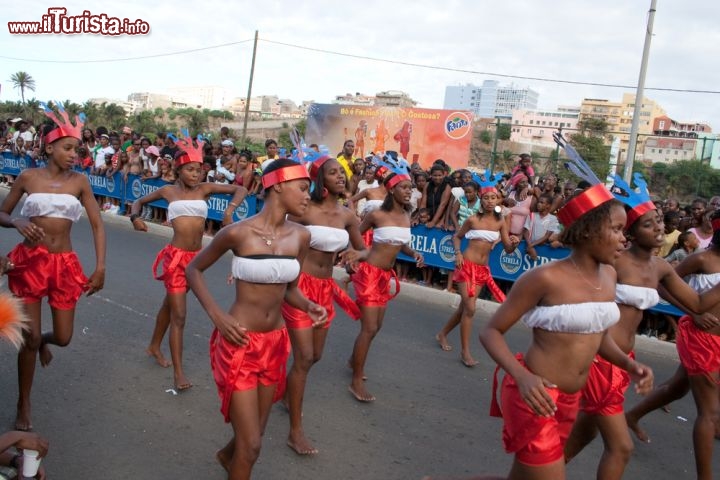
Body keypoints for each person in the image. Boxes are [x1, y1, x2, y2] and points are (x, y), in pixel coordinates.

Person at [430, 135, 653, 480]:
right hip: (536, 398)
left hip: (568, 402)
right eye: (617, 229)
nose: (625, 238)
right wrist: (521, 377)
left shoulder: (609, 276)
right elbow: (493, 332)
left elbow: (597, 336)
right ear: (589, 229)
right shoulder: (545, 278)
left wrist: (628, 364)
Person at [564, 174, 720, 480]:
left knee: (584, 434)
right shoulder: (615, 262)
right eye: (649, 224)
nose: (660, 228)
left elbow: (700, 304)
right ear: (631, 233)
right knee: (619, 447)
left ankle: (538, 472)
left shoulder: (660, 267)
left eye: (659, 220)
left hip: (621, 362)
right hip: (599, 357)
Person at [185, 158, 327, 479]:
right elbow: (193, 269)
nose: (309, 196)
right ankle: (235, 456)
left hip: (275, 344)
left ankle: (226, 455)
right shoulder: (237, 233)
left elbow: (289, 289)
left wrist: (308, 306)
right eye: (303, 188)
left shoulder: (301, 237)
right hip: (239, 342)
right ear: (278, 186)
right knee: (252, 447)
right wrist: (217, 316)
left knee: (255, 435)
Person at [0, 103, 106, 432]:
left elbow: (98, 226)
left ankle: (42, 340)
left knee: (63, 336)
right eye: (68, 148)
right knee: (28, 340)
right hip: (30, 262)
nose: (75, 154)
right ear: (50, 147)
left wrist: (100, 267)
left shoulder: (81, 182)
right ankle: (24, 402)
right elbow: (1, 214)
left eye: (78, 149)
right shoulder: (28, 177)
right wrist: (16, 221)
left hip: (64, 265)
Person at [129, 134, 248, 391]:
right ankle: (178, 374)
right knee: (179, 315)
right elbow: (137, 201)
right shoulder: (167, 191)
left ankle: (153, 345)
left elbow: (242, 189)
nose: (196, 174)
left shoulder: (205, 189)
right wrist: (135, 218)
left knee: (170, 305)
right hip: (175, 259)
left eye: (199, 170)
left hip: (197, 261)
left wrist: (229, 211)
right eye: (191, 170)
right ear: (179, 170)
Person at [281, 154, 366, 455]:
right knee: (304, 356)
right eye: (333, 173)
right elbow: (278, 236)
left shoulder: (347, 216)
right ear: (320, 181)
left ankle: (285, 391)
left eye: (342, 172)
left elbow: (362, 248)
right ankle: (295, 431)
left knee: (314, 356)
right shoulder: (304, 210)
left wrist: (357, 258)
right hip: (299, 286)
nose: (341, 176)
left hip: (325, 290)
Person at [348, 155, 424, 402]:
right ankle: (356, 380)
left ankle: (353, 360)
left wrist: (414, 253)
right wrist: (357, 254)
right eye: (404, 188)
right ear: (391, 189)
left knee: (376, 327)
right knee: (369, 328)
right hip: (369, 274)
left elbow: (400, 245)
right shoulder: (376, 215)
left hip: (385, 277)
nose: (409, 192)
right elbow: (356, 236)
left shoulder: (405, 216)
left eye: (410, 189)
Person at [436, 172, 518, 367]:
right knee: (471, 308)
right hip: (466, 266)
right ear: (481, 199)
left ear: (499, 199)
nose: (490, 201)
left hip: (482, 270)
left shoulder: (500, 222)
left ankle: (442, 334)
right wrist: (457, 253)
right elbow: (457, 237)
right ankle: (465, 352)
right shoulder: (472, 220)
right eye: (487, 198)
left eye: (494, 198)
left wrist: (514, 243)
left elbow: (507, 247)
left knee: (465, 308)